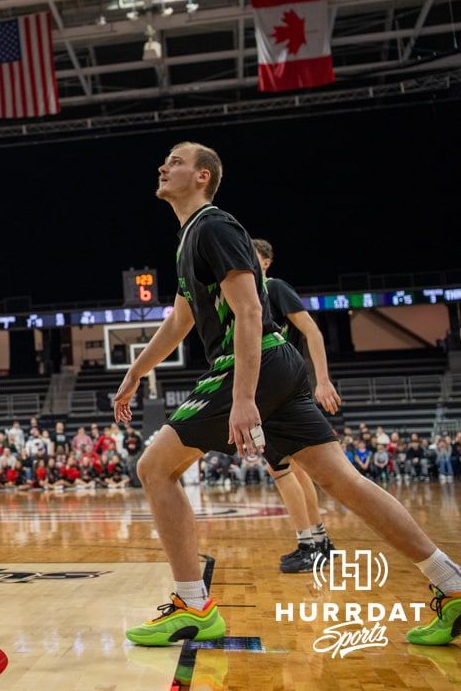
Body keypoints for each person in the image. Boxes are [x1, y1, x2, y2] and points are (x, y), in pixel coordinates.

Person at [113, 141, 461, 647]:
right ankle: (452, 586)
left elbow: (251, 312)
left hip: (253, 366)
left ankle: (193, 605)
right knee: (345, 482)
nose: (164, 166)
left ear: (203, 176)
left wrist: (244, 396)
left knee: (154, 468)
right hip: (278, 369)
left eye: (177, 160)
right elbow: (181, 320)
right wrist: (136, 372)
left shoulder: (215, 226)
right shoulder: (189, 237)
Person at [253, 238, 342, 573]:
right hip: (280, 385)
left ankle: (307, 545)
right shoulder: (244, 294)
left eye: (253, 254)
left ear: (266, 261)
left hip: (277, 387)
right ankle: (319, 541)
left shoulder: (273, 287)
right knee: (298, 466)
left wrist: (323, 380)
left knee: (280, 469)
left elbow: (312, 332)